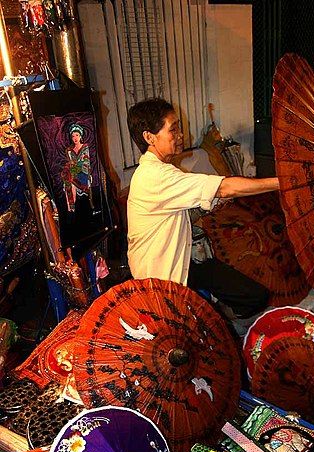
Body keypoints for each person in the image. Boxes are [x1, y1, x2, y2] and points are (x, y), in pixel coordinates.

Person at [126, 98, 280, 319]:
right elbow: (226, 188)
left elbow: (187, 208)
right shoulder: (156, 176)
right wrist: (281, 182)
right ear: (149, 137)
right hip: (161, 285)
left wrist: (213, 203)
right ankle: (222, 325)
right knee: (249, 297)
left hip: (183, 264)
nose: (180, 135)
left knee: (251, 294)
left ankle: (223, 319)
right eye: (174, 129)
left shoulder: (160, 171)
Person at [61, 123, 93, 213]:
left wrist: (74, 168)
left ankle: (73, 205)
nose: (75, 138)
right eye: (73, 136)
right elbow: (71, 163)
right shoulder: (69, 150)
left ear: (80, 136)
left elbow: (86, 162)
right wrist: (70, 168)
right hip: (74, 171)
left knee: (70, 177)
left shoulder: (85, 147)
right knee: (66, 177)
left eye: (77, 135)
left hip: (84, 171)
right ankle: (72, 205)